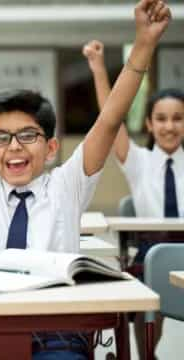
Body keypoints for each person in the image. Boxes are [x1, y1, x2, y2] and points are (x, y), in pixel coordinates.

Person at [0, 0, 171, 358]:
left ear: (51, 146)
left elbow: (110, 119)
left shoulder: (67, 186)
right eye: (3, 138)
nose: (14, 148)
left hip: (54, 335)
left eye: (28, 135)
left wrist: (144, 43)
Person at [84, 39, 184, 360]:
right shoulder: (138, 161)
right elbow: (111, 119)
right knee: (142, 296)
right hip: (150, 250)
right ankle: (146, 355)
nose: (169, 126)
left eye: (178, 118)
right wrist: (99, 69)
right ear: (149, 124)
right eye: (162, 118)